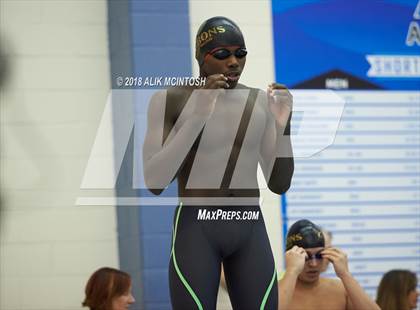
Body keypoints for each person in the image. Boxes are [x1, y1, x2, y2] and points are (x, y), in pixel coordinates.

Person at [143, 16, 294, 309]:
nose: (234, 62)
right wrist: (198, 115)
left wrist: (283, 127)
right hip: (197, 227)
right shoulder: (170, 99)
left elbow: (279, 184)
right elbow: (155, 182)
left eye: (241, 53)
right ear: (201, 58)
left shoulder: (259, 102)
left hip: (248, 225)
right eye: (223, 54)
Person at [278, 219, 380, 310]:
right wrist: (292, 271)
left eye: (319, 255)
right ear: (291, 257)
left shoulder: (341, 290)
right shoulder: (273, 291)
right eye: (305, 256)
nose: (313, 264)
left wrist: (345, 274)